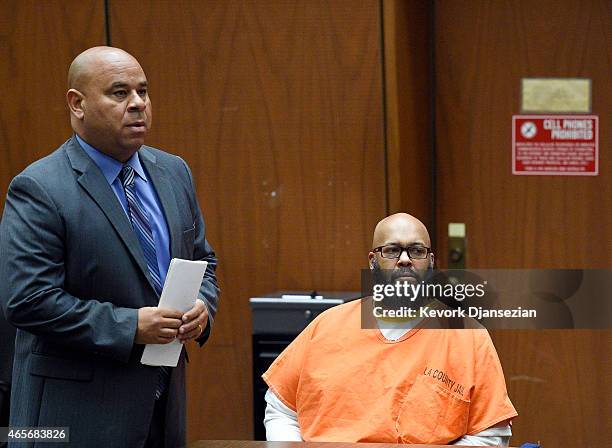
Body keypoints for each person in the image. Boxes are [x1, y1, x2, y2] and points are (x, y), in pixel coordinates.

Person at [0, 47, 219, 448]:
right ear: (77, 103)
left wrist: (203, 307)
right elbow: (27, 299)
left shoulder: (173, 172)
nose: (138, 104)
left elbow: (203, 258)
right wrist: (130, 326)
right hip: (74, 417)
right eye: (119, 93)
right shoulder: (40, 188)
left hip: (162, 408)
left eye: (143, 91)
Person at [262, 213, 517, 446]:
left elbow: (490, 435)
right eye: (392, 250)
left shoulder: (468, 337)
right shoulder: (327, 326)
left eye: (416, 251)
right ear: (373, 261)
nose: (405, 260)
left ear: (430, 261)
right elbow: (281, 408)